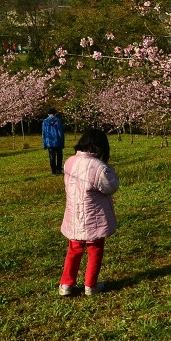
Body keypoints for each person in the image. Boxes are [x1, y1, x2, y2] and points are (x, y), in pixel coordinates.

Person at [58, 129, 119, 297]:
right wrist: (110, 170)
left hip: (75, 215)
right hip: (94, 217)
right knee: (95, 249)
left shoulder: (69, 162)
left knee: (74, 249)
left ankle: (66, 284)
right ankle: (90, 285)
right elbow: (110, 187)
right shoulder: (98, 167)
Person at [42, 109, 65, 175]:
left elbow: (43, 133)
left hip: (49, 141)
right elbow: (60, 132)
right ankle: (59, 170)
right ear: (55, 113)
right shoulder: (58, 120)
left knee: (51, 157)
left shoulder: (45, 121)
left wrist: (44, 144)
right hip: (58, 141)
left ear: (48, 114)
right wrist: (62, 142)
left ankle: (53, 171)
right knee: (59, 156)